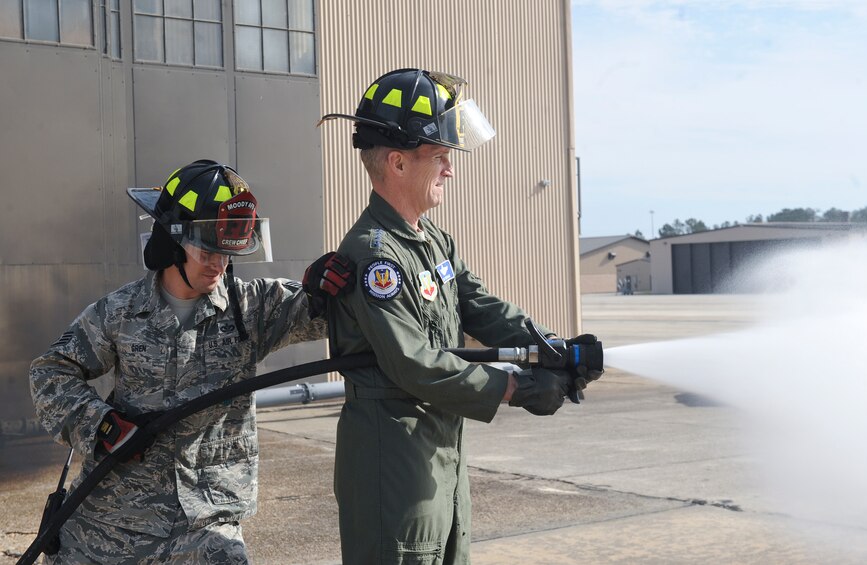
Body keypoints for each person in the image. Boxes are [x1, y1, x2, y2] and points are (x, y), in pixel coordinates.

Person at [319, 68, 598, 564]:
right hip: (393, 461)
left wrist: (554, 346)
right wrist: (513, 387)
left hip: (438, 451)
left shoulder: (433, 240)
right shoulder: (374, 256)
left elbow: (481, 306)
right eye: (441, 157)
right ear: (398, 163)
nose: (450, 170)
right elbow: (414, 363)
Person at [29, 159, 354, 564]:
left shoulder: (251, 309)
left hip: (206, 526)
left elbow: (325, 313)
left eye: (226, 253)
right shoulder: (119, 313)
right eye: (207, 251)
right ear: (172, 242)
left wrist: (328, 289)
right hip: (111, 524)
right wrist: (103, 426)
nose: (218, 264)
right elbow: (51, 372)